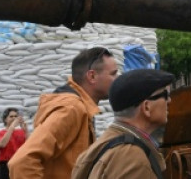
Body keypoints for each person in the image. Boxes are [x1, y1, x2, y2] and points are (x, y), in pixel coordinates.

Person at [8, 47, 119, 179]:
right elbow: (22, 162)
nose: (117, 79)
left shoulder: (81, 108)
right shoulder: (71, 108)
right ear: (92, 76)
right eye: (113, 74)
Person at [71, 69, 174, 179]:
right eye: (165, 95)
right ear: (146, 107)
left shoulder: (101, 145)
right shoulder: (134, 159)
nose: (169, 100)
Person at [0, 109, 27, 179]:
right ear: (5, 119)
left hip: (19, 163)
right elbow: (2, 144)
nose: (14, 118)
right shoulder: (1, 133)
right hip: (5, 165)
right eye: (11, 116)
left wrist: (26, 131)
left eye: (15, 116)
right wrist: (12, 127)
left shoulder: (21, 132)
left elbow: (29, 145)